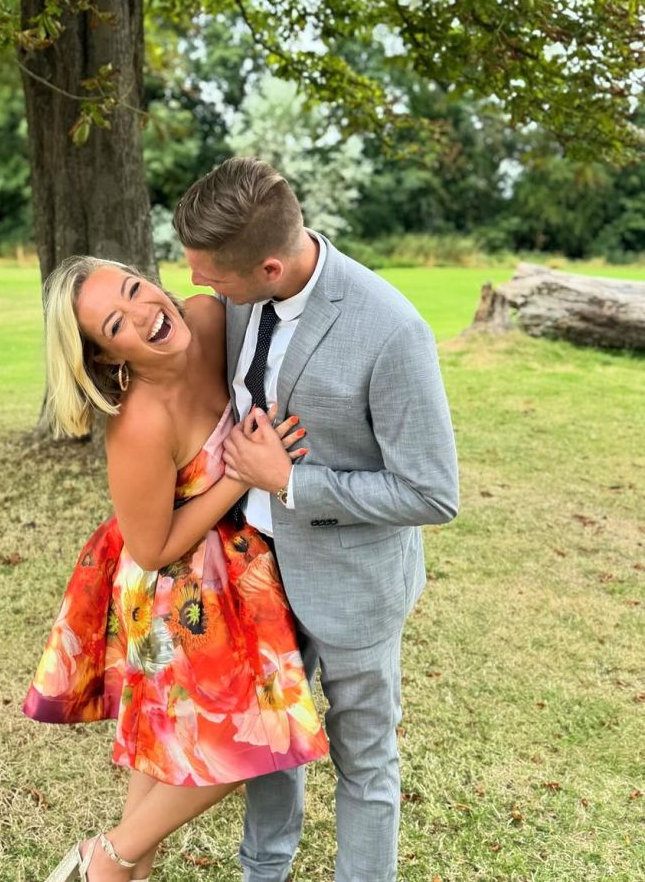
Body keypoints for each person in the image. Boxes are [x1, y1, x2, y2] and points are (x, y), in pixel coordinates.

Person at [173, 157, 460, 882]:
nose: (201, 290)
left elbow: (431, 493)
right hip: (254, 573)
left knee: (364, 756)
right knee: (268, 740)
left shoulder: (392, 330)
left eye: (214, 278)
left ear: (270, 266)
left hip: (354, 584)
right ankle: (262, 871)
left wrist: (293, 481)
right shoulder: (238, 296)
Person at [21, 256, 329, 882]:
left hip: (240, 571)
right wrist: (239, 474)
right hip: (172, 593)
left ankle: (117, 866)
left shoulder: (210, 319)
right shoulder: (138, 423)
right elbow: (151, 548)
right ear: (109, 358)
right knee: (253, 739)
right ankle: (103, 858)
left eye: (136, 291)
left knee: (160, 753)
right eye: (117, 324)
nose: (143, 314)